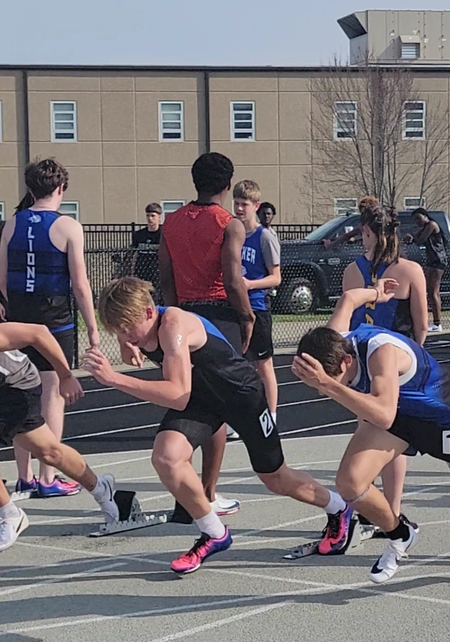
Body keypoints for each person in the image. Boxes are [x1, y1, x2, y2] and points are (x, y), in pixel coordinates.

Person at [83, 277, 352, 576]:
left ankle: (338, 507)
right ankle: (214, 532)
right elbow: (183, 392)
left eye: (127, 330)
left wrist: (114, 379)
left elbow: (177, 394)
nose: (126, 337)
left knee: (275, 478)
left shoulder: (172, 326)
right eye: (118, 331)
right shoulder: (139, 323)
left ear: (148, 313)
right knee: (166, 457)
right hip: (204, 399)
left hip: (241, 396)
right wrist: (125, 342)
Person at [293, 278, 450, 584]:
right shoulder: (334, 338)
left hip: (434, 410)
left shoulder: (381, 351)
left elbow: (385, 412)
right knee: (350, 483)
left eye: (331, 380)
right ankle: (401, 534)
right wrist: (377, 293)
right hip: (396, 418)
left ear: (347, 361)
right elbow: (349, 299)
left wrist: (327, 385)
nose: (324, 389)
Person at [158, 152, 256, 519]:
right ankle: (207, 493)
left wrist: (172, 317)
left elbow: (166, 278)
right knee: (219, 405)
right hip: (218, 316)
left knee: (191, 398)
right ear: (228, 186)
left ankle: (188, 491)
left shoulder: (172, 221)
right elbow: (232, 281)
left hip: (183, 312)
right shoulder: (229, 223)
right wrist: (247, 318)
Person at [0, 158, 100, 498]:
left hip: (16, 318)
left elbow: (1, 278)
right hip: (54, 321)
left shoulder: (12, 224)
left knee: (18, 395)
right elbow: (80, 284)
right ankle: (47, 478)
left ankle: (24, 476)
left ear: (30, 189)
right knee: (52, 397)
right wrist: (93, 329)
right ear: (61, 188)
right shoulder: (69, 226)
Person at [336, 200, 428, 551]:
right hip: (399, 367)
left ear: (369, 232)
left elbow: (344, 324)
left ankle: (371, 511)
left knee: (367, 432)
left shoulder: (352, 272)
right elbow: (421, 325)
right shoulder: (411, 271)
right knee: (395, 440)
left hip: (361, 366)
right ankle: (390, 510)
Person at [0, 321, 118, 551]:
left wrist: (65, 376)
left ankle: (10, 515)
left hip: (16, 386)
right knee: (49, 452)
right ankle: (100, 488)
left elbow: (39, 332)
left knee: (48, 452)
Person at [233, 180, 281, 424]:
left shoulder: (264, 237)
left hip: (258, 307)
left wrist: (250, 284)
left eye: (244, 204)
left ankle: (271, 416)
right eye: (237, 203)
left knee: (263, 365)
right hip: (235, 308)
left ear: (256, 206)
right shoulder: (232, 233)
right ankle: (241, 417)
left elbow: (276, 277)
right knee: (237, 366)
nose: (239, 209)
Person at [405, 208, 448, 332]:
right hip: (431, 261)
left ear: (425, 216)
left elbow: (420, 240)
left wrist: (413, 238)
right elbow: (416, 238)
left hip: (437, 260)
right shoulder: (424, 228)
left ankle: (437, 323)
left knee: (433, 291)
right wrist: (410, 238)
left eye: (419, 218)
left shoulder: (432, 225)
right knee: (429, 291)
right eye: (415, 220)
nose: (417, 222)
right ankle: (434, 321)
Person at [130, 203, 162, 283]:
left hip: (158, 272)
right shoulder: (139, 235)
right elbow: (133, 254)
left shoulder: (164, 234)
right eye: (148, 216)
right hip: (142, 272)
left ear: (159, 217)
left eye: (153, 216)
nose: (150, 218)